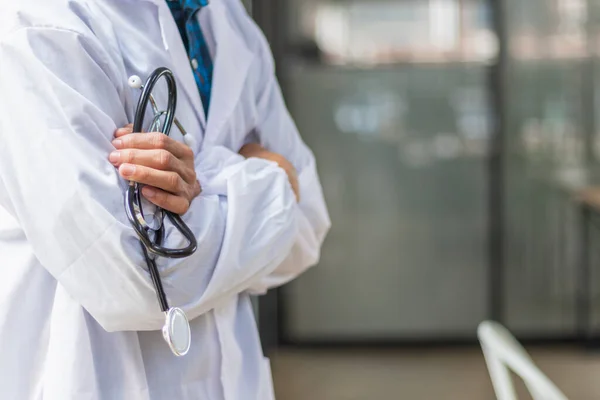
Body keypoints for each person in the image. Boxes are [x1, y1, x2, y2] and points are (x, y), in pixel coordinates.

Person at [0, 0, 331, 398]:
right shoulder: (37, 22)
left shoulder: (225, 17)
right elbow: (131, 281)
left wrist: (199, 183)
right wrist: (270, 177)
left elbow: (307, 221)